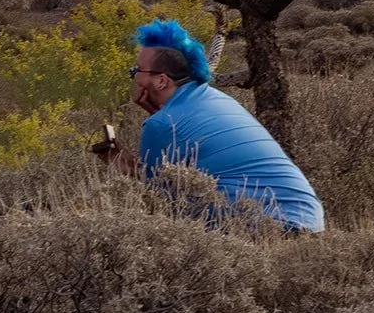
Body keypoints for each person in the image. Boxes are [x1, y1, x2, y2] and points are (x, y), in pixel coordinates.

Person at [97, 18, 324, 231]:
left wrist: (133, 162)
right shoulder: (216, 98)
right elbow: (181, 174)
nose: (134, 77)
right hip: (309, 221)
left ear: (161, 80)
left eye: (136, 71)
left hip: (268, 229)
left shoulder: (162, 125)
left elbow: (163, 202)